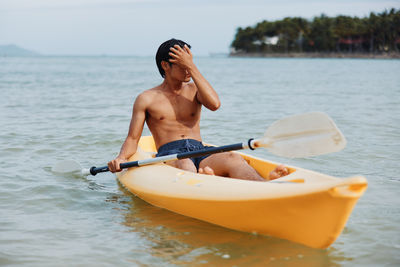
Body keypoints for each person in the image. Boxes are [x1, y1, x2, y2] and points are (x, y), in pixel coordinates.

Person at [108, 38, 288, 181]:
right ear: (165, 65)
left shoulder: (195, 89)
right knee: (185, 164)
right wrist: (122, 158)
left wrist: (192, 66)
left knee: (233, 158)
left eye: (190, 62)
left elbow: (215, 105)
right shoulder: (146, 98)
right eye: (183, 64)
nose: (188, 69)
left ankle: (264, 184)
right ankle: (206, 180)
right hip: (170, 154)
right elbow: (133, 138)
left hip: (200, 150)